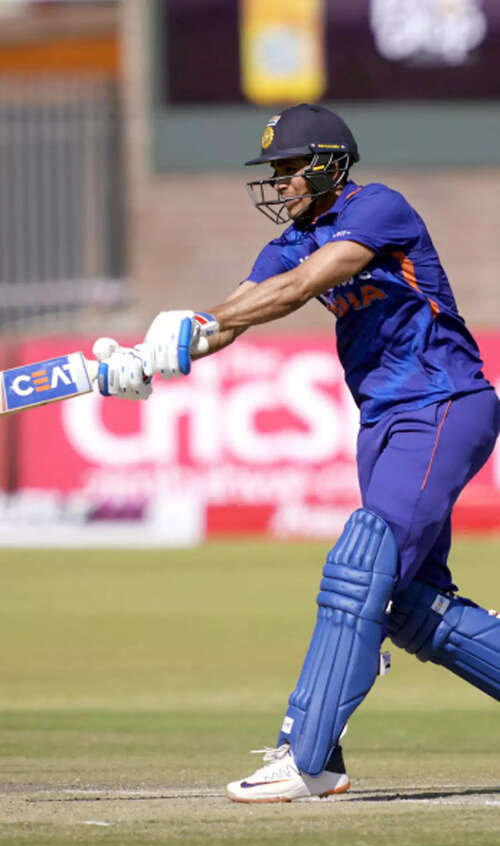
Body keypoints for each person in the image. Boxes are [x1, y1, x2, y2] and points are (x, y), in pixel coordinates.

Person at [93, 103, 500, 803]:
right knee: (411, 604)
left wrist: (198, 322)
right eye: (274, 170)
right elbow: (234, 315)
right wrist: (149, 356)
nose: (278, 182)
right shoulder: (292, 240)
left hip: (442, 403)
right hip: (383, 422)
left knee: (362, 562)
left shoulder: (379, 209)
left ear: (328, 165)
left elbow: (298, 289)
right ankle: (318, 751)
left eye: (288, 168)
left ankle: (309, 755)